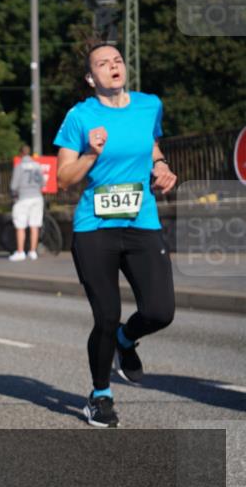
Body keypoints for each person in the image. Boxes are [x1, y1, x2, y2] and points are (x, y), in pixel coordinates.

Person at [54, 43, 177, 428]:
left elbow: (150, 142)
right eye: (103, 64)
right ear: (91, 78)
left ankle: (126, 341)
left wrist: (161, 166)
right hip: (95, 230)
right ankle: (100, 395)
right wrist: (90, 155)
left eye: (118, 61)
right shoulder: (80, 117)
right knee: (106, 314)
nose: (113, 67)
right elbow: (62, 179)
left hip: (142, 223)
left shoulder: (149, 105)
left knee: (160, 311)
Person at [9, 144, 47, 261]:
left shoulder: (19, 166)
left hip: (23, 198)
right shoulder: (37, 165)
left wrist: (14, 193)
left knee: (20, 225)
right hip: (37, 197)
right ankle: (32, 251)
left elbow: (14, 186)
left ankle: (20, 252)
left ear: (20, 154)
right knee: (34, 225)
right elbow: (43, 183)